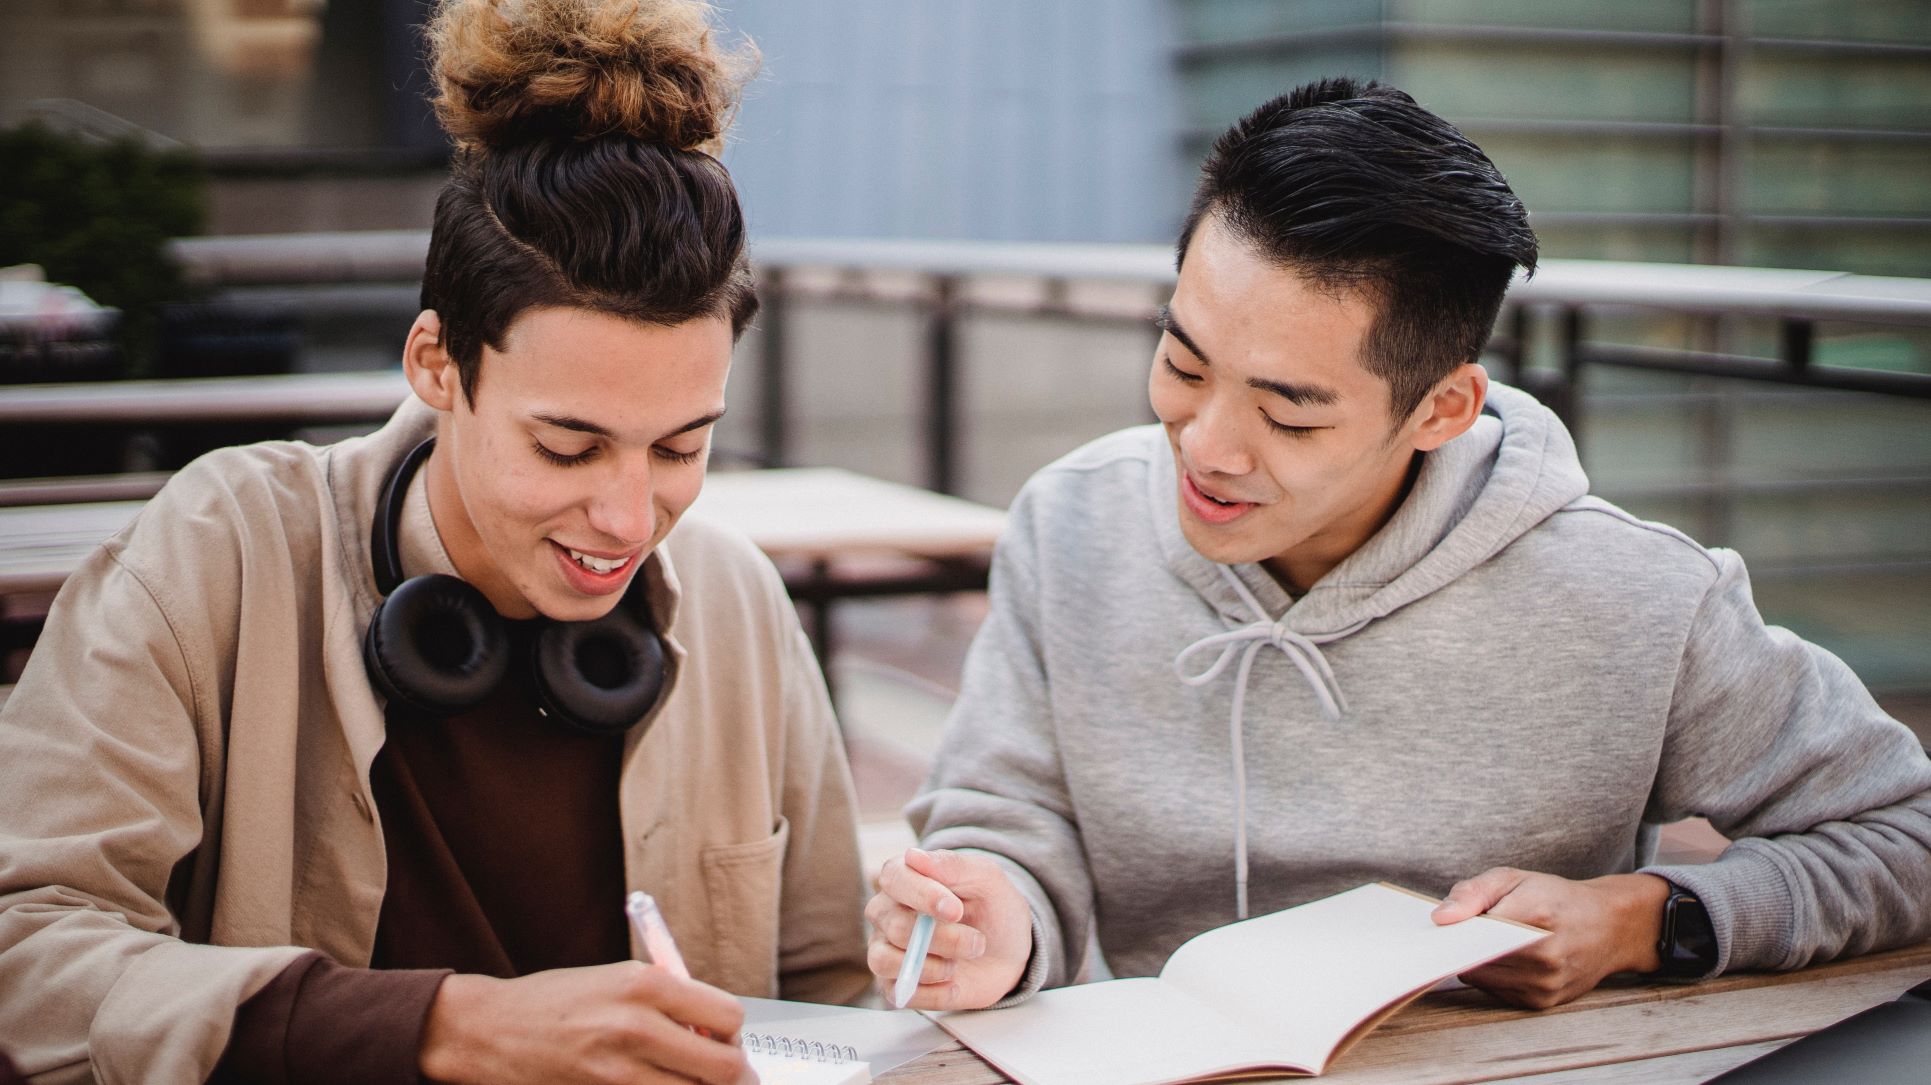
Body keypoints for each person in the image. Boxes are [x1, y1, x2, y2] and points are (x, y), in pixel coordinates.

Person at [865, 78, 1931, 1014]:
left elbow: (1905, 837)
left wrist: (1644, 918)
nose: (1204, 444)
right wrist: (988, 910)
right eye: (1183, 366)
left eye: (1287, 415)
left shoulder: (1639, 598)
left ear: (1441, 408)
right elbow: (1001, 813)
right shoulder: (1070, 524)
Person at [0, 1, 868, 1082]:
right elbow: (27, 946)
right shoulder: (218, 552)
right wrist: (444, 1028)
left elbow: (835, 993)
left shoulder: (736, 603)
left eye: (681, 447)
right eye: (567, 447)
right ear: (435, 364)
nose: (629, 517)